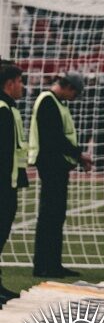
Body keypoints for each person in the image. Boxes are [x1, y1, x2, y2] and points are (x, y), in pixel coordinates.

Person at [30, 72, 92, 278]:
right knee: (50, 215)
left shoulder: (57, 103)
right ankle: (43, 265)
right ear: (68, 88)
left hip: (56, 165)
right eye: (75, 93)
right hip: (51, 165)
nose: (74, 98)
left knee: (55, 215)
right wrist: (78, 154)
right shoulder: (48, 102)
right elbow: (54, 137)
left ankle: (52, 263)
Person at [0, 64, 29, 302]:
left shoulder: (9, 109)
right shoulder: (3, 110)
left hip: (8, 183)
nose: (22, 86)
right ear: (10, 83)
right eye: (20, 81)